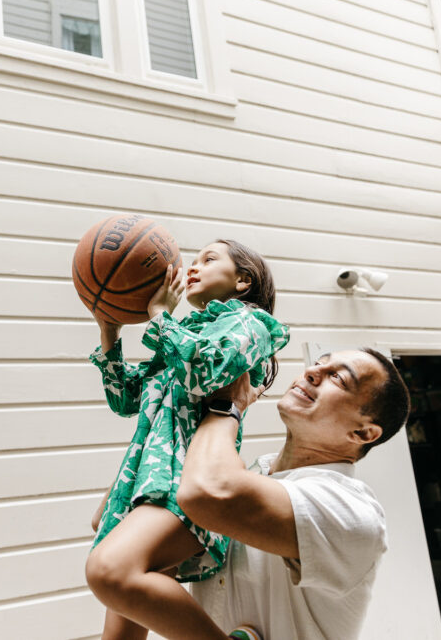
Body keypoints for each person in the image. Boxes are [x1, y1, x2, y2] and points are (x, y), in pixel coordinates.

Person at [85, 240, 290, 640]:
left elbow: (204, 371)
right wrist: (109, 331)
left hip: (185, 474)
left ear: (243, 280)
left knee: (110, 569)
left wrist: (160, 315)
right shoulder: (187, 332)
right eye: (191, 261)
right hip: (148, 473)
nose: (191, 267)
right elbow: (126, 399)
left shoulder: (250, 324)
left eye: (208, 260)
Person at [173, 347, 412, 639]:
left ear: (362, 433)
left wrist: (227, 407)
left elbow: (206, 493)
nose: (312, 372)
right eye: (318, 364)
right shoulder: (252, 475)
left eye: (337, 378)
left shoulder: (352, 512)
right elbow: (115, 520)